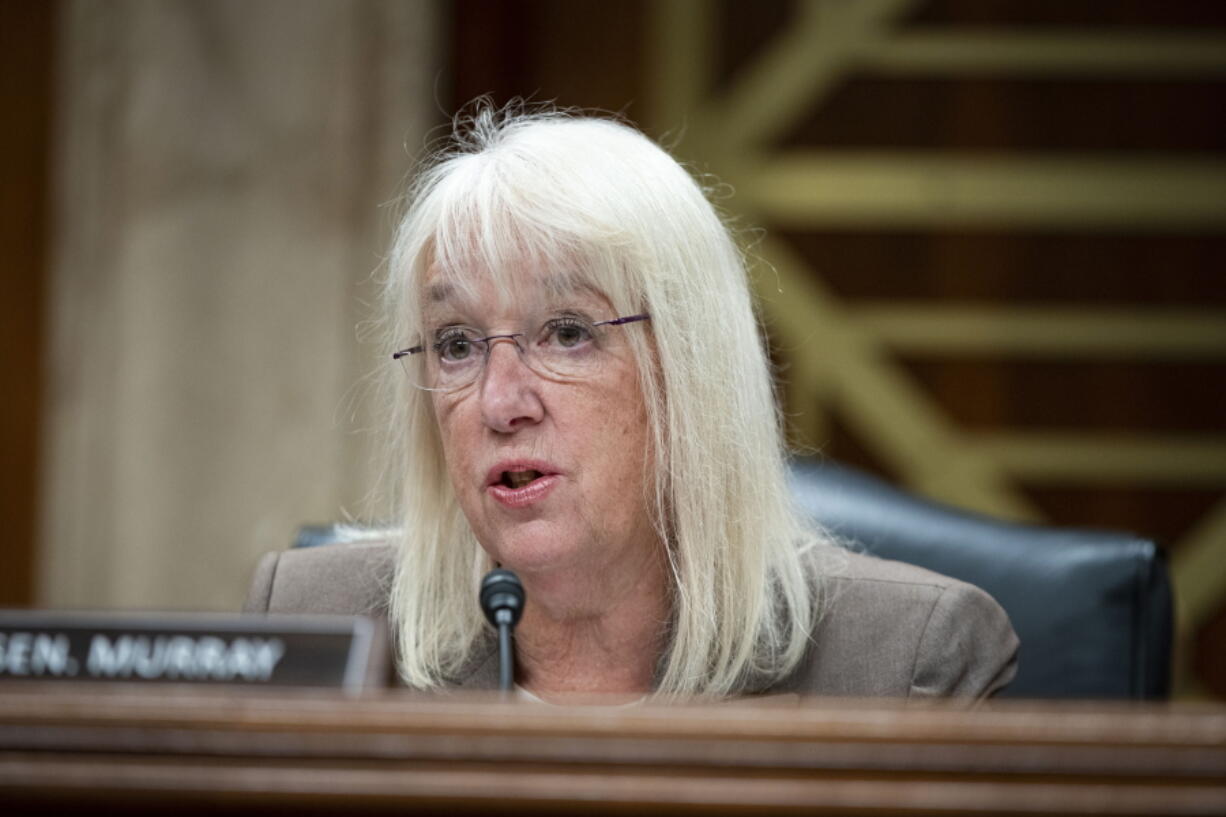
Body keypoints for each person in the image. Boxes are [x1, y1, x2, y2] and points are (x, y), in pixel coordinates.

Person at [244, 105, 1018, 701]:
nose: (500, 400)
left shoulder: (901, 661)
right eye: (454, 343)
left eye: (568, 332)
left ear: (689, 372)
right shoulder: (318, 622)